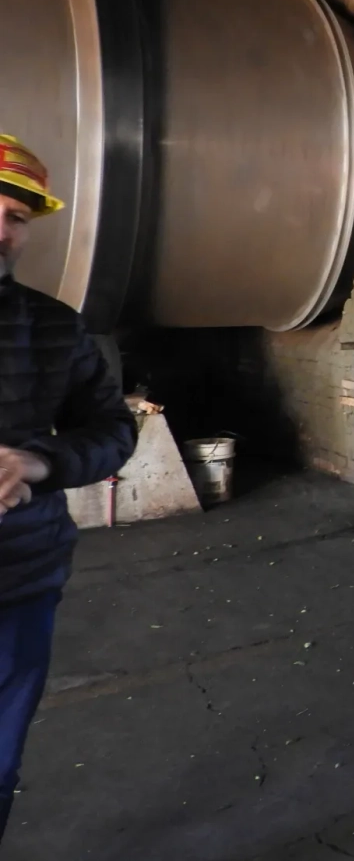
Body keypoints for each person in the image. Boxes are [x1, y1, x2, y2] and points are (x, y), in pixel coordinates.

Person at [0, 135, 137, 839]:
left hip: (19, 581)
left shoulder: (54, 326)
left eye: (15, 216)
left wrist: (39, 464)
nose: (1, 230)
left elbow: (113, 429)